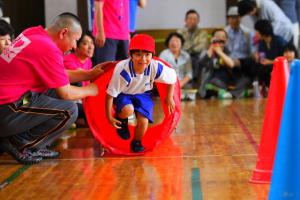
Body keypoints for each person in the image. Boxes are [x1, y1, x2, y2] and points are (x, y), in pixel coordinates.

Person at [0, 13, 103, 164]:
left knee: (53, 92)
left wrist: (88, 74)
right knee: (70, 110)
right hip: (9, 108)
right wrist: (92, 90)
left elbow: (58, 75)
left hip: (14, 101)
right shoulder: (47, 48)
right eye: (75, 40)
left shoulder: (33, 33)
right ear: (63, 33)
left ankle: (24, 140)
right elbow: (66, 93)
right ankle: (22, 143)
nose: (75, 46)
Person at [105, 34, 176, 153]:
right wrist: (109, 117)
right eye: (138, 55)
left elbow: (173, 77)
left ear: (152, 56)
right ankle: (121, 120)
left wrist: (169, 97)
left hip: (144, 93)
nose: (143, 59)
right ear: (131, 55)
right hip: (124, 93)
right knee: (128, 110)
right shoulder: (122, 70)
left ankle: (136, 141)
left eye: (147, 55)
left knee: (144, 121)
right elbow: (110, 95)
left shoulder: (155, 67)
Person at [64, 31, 100, 127]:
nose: (90, 46)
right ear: (76, 46)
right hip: (69, 98)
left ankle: (75, 121)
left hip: (82, 97)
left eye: (92, 43)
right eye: (85, 43)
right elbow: (79, 77)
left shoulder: (88, 61)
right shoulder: (68, 59)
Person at [254, 19, 287, 91]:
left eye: (257, 31)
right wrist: (257, 57)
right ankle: (261, 88)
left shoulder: (280, 41)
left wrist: (271, 62)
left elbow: (286, 60)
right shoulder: (261, 44)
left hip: (281, 68)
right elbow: (262, 58)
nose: (255, 33)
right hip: (268, 68)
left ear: (263, 31)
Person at [159, 32, 194, 100]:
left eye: (177, 41)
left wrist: (181, 83)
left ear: (181, 43)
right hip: (167, 84)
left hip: (183, 84)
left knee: (189, 95)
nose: (174, 43)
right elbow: (161, 72)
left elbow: (189, 73)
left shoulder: (186, 55)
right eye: (172, 41)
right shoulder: (163, 54)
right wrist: (172, 84)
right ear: (168, 43)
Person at [177, 9, 208, 85]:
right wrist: (193, 45)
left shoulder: (203, 33)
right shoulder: (180, 32)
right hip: (183, 54)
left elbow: (202, 46)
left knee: (197, 58)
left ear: (198, 21)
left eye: (195, 19)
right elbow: (180, 46)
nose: (192, 21)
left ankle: (193, 81)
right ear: (185, 20)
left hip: (197, 55)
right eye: (190, 19)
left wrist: (190, 48)